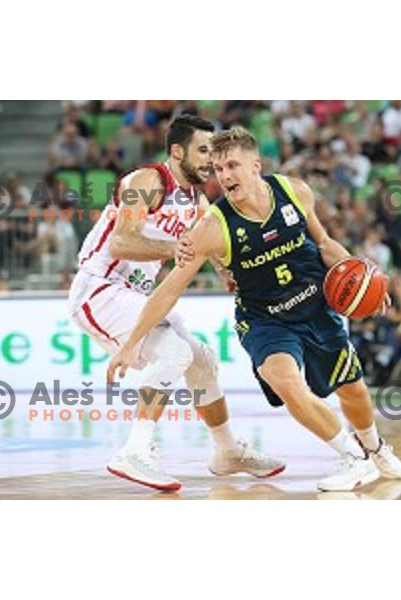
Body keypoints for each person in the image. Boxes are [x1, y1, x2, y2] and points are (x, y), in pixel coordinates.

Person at [107, 126, 401, 492]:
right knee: (286, 382)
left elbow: (325, 244)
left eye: (232, 165)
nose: (224, 175)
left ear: (255, 166)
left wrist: (368, 281)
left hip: (316, 305)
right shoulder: (212, 227)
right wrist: (129, 345)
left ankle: (375, 448)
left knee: (352, 390)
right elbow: (168, 290)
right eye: (218, 168)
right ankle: (353, 458)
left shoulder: (294, 192)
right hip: (265, 319)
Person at [68, 116, 284, 492]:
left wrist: (227, 272)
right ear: (177, 151)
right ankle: (133, 451)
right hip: (99, 289)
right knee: (174, 354)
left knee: (200, 359)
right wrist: (173, 248)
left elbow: (212, 248)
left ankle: (227, 451)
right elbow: (121, 241)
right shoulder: (145, 182)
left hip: (133, 295)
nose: (210, 160)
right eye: (203, 151)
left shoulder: (196, 200)